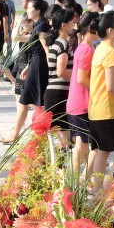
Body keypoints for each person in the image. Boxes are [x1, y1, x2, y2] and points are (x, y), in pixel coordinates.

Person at [88, 11, 114, 193]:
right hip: (110, 110)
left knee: (102, 151)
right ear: (111, 30)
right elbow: (112, 86)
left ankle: (97, 191)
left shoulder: (100, 48)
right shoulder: (110, 52)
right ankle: (111, 189)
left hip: (97, 109)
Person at [66, 12, 100, 175]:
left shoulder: (84, 47)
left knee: (82, 144)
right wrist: (98, 90)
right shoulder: (87, 49)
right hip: (82, 103)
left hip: (76, 102)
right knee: (86, 145)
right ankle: (77, 180)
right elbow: (81, 78)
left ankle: (74, 180)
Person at [13, 0, 50, 140]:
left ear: (38, 10)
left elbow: (45, 49)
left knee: (28, 100)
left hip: (39, 65)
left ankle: (15, 134)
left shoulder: (41, 26)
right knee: (31, 100)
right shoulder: (38, 25)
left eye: (29, 8)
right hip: (35, 63)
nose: (27, 10)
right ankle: (18, 133)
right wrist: (28, 66)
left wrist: (51, 68)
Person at [43, 8, 77, 143]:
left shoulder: (57, 42)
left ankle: (61, 164)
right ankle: (61, 164)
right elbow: (61, 71)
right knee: (64, 140)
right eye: (71, 23)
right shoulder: (62, 44)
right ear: (64, 25)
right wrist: (79, 76)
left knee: (64, 138)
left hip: (56, 93)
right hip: (58, 94)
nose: (74, 26)